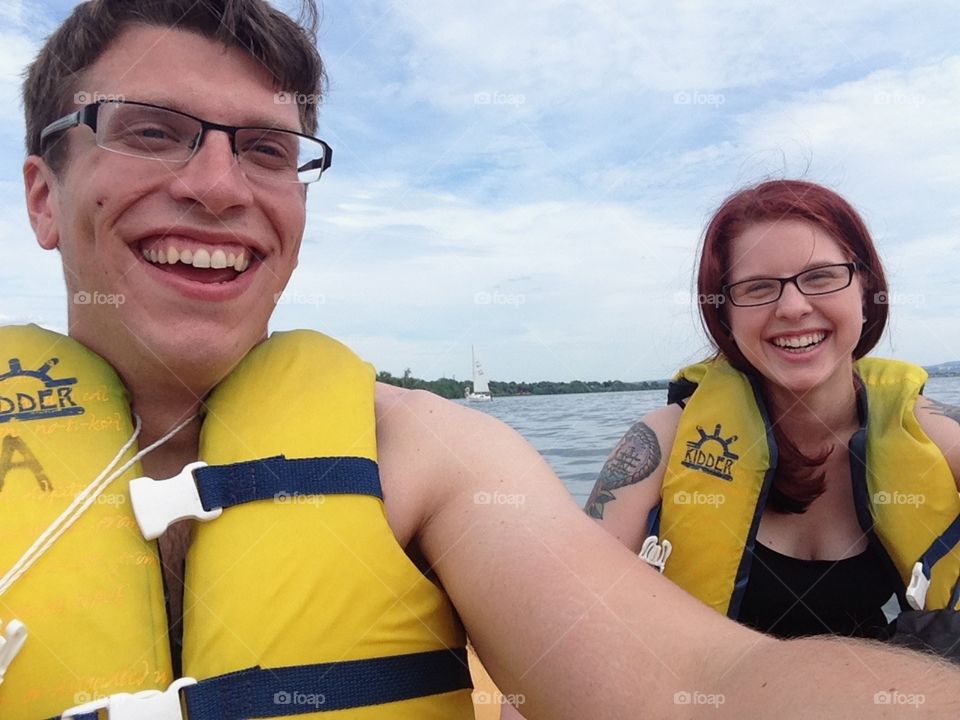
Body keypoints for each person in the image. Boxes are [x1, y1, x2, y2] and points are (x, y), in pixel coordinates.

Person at [1, 1, 958, 716]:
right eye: (151, 130)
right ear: (43, 197)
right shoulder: (660, 442)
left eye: (265, 149)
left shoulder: (430, 456)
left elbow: (698, 681)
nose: (217, 186)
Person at [587, 179, 960, 643]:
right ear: (725, 315)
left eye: (821, 276)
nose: (793, 307)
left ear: (865, 289)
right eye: (758, 288)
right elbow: (570, 616)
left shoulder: (937, 438)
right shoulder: (661, 443)